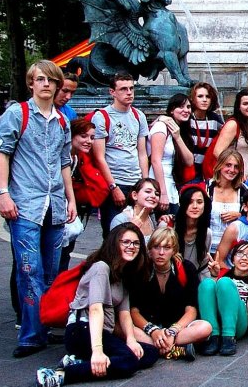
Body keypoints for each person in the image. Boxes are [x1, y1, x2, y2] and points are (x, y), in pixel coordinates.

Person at [0, 60, 76, 358]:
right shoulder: (17, 114)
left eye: (50, 80)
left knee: (51, 273)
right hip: (25, 204)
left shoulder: (62, 121)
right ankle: (29, 336)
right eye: (40, 79)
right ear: (31, 83)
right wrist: (4, 194)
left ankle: (42, 327)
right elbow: (2, 153)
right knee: (30, 270)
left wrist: (71, 199)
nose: (45, 84)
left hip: (54, 204)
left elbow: (65, 162)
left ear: (56, 85)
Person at [35, 223, 158, 387]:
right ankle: (60, 375)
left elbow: (124, 314)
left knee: (149, 352)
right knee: (128, 362)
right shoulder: (101, 267)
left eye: (136, 243)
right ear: (114, 243)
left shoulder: (123, 275)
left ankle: (80, 361)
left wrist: (131, 340)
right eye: (126, 242)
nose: (132, 247)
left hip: (102, 332)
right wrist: (98, 350)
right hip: (82, 330)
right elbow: (95, 309)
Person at [131, 228, 212, 360]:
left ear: (174, 250)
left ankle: (160, 347)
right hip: (148, 327)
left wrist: (173, 331)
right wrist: (153, 331)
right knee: (124, 328)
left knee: (205, 327)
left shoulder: (186, 268)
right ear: (149, 250)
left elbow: (191, 309)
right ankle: (175, 349)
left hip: (177, 327)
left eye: (167, 248)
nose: (161, 253)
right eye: (156, 247)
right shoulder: (141, 270)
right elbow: (134, 310)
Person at [90, 73, 150, 237]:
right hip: (115, 181)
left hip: (136, 182)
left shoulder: (139, 116)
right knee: (114, 234)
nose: (129, 93)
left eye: (131, 88)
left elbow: (142, 153)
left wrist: (145, 182)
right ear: (112, 92)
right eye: (123, 89)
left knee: (138, 232)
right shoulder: (102, 116)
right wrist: (113, 186)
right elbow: (99, 156)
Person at [196, 241, 248, 356]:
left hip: (238, 324)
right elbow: (209, 298)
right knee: (207, 283)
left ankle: (228, 338)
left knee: (225, 283)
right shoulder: (222, 275)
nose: (244, 258)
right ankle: (213, 337)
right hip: (217, 321)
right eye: (240, 253)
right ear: (232, 259)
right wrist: (214, 276)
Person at [60, 117, 110, 271]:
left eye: (92, 137)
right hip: (57, 206)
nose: (89, 141)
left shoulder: (77, 157)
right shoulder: (65, 156)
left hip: (69, 206)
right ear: (71, 136)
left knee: (65, 250)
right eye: (84, 136)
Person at [148, 93, 195, 214]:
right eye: (181, 106)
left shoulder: (180, 130)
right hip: (159, 184)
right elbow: (155, 160)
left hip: (172, 185)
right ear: (172, 110)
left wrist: (178, 137)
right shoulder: (161, 127)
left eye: (188, 107)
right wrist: (162, 193)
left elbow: (189, 161)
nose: (186, 110)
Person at [206, 148, 246, 255]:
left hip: (234, 250)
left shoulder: (243, 191)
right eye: (228, 165)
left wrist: (239, 216)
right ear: (220, 165)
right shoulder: (207, 188)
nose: (232, 170)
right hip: (207, 247)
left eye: (236, 167)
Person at [175, 183, 213, 277]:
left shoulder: (207, 233)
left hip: (193, 281)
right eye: (190, 202)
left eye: (199, 202)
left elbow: (203, 267)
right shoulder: (169, 226)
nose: (195, 206)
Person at [189, 82, 224, 181]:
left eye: (207, 96)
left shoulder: (214, 119)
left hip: (207, 171)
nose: (204, 100)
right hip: (188, 171)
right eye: (200, 96)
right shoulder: (187, 118)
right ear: (193, 98)